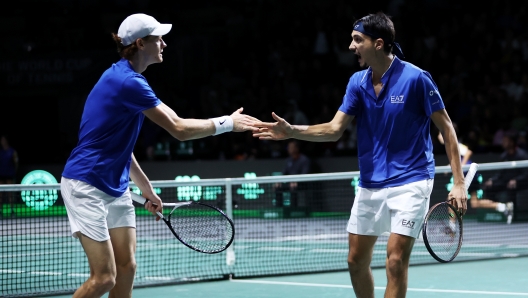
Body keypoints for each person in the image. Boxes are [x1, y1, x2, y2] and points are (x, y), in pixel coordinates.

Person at [252, 12, 467, 298]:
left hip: (412, 180)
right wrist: (292, 131)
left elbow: (447, 128)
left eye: (357, 40)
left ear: (378, 44)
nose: (351, 47)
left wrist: (459, 181)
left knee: (395, 261)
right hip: (370, 183)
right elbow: (333, 129)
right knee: (355, 260)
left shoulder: (417, 79)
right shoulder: (357, 82)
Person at [60, 13, 258, 298]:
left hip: (115, 187)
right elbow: (178, 128)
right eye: (158, 39)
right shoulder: (128, 82)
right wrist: (227, 123)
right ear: (141, 44)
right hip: (85, 184)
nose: (164, 44)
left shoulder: (125, 79)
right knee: (104, 278)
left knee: (127, 267)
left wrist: (146, 188)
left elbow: (120, 149)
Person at [480, 133, 528, 224]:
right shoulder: (504, 156)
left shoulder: (522, 155)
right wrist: (492, 180)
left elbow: (526, 173)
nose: (503, 143)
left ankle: (512, 213)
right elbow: (500, 173)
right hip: (506, 182)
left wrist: (516, 180)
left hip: (522, 182)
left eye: (505, 141)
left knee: (511, 187)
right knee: (489, 187)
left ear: (512, 142)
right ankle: (499, 209)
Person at [274, 140, 311, 207]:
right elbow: (284, 173)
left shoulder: (304, 159)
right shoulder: (288, 160)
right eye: (288, 147)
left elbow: (305, 173)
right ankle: (279, 209)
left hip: (302, 184)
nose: (289, 149)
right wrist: (279, 181)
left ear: (296, 148)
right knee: (278, 188)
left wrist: (297, 181)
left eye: (291, 147)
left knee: (293, 188)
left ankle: (293, 209)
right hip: (291, 183)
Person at [0, 135, 19, 216]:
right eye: (2, 140)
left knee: (10, 193)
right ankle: (0, 210)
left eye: (4, 140)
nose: (3, 141)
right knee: (0, 194)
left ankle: (12, 210)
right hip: (1, 175)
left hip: (9, 175)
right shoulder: (0, 152)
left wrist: (14, 171)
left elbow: (16, 163)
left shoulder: (12, 151)